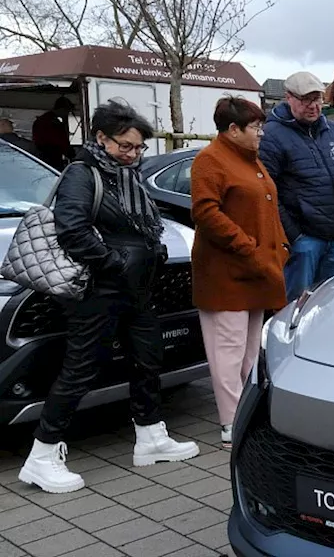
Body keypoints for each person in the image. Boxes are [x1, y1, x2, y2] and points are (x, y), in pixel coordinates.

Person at [18, 99, 199, 494]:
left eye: (138, 148)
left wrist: (151, 253)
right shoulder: (83, 174)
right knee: (82, 368)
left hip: (138, 287)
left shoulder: (125, 176)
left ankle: (151, 436)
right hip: (101, 290)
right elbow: (72, 230)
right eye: (125, 145)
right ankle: (42, 455)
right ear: (101, 138)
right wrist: (114, 262)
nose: (133, 154)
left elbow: (142, 225)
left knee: (148, 360)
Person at [190, 96, 289, 448]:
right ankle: (231, 422)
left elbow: (268, 209)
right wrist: (246, 245)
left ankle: (249, 413)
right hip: (227, 272)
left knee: (249, 351)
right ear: (233, 130)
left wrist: (281, 247)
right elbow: (205, 212)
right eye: (255, 127)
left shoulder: (253, 160)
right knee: (227, 351)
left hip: (257, 269)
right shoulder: (210, 160)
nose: (261, 133)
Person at [258, 71, 334, 302]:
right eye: (305, 100)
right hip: (303, 241)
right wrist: (294, 236)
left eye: (317, 99)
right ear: (288, 98)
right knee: (295, 308)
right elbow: (265, 193)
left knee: (331, 308)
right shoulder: (271, 136)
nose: (313, 106)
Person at [32, 96, 78, 170]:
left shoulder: (41, 120)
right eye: (68, 111)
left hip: (40, 156)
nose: (67, 114)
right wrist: (71, 154)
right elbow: (61, 141)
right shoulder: (53, 123)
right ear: (63, 109)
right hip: (52, 157)